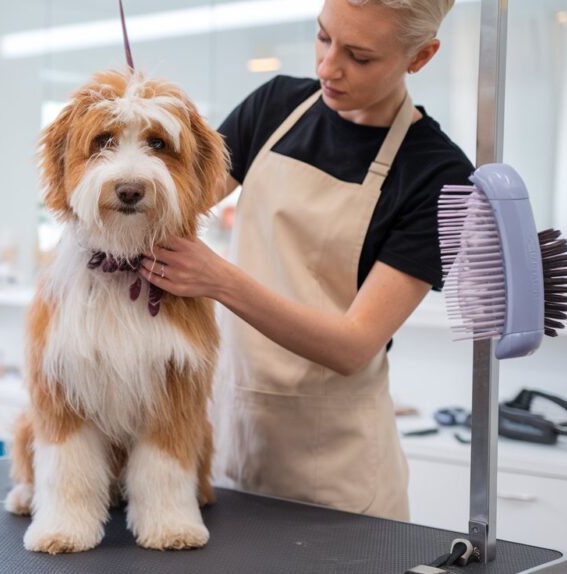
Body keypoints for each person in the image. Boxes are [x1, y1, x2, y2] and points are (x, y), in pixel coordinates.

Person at [139, 0, 471, 520]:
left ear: (421, 56)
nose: (327, 67)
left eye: (359, 57)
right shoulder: (275, 107)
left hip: (336, 475)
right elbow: (171, 210)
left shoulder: (438, 175)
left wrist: (219, 280)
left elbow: (353, 346)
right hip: (231, 438)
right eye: (323, 38)